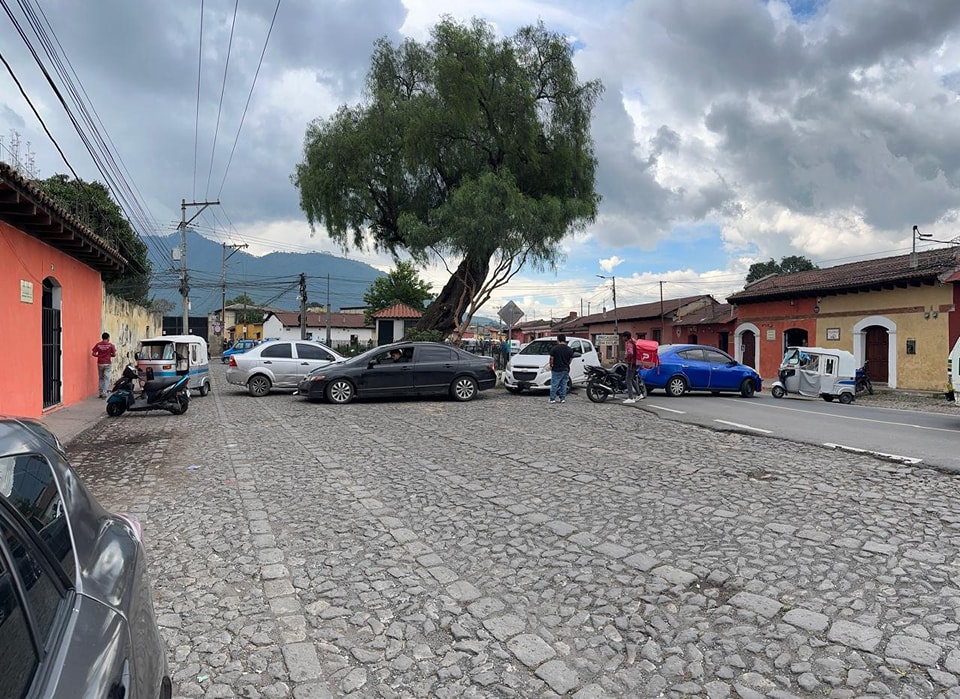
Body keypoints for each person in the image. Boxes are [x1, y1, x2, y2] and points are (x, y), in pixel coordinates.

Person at [548, 334, 575, 404]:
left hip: (556, 368)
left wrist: (551, 365)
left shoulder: (555, 348)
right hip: (565, 368)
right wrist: (567, 364)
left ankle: (552, 399)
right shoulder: (569, 349)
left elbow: (551, 358)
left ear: (558, 340)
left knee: (554, 384)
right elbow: (570, 359)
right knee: (564, 384)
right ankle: (562, 398)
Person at [92, 332, 117, 398]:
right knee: (107, 378)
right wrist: (110, 355)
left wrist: (99, 355)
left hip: (100, 363)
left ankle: (100, 392)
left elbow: (93, 353)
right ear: (108, 338)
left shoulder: (98, 345)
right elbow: (114, 354)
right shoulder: (111, 345)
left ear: (102, 337)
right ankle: (104, 393)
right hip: (107, 363)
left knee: (101, 378)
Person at [621, 331, 642, 403]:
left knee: (628, 379)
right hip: (635, 363)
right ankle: (639, 394)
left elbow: (630, 352)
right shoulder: (633, 341)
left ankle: (631, 397)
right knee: (631, 379)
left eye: (623, 337)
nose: (622, 338)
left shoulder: (629, 343)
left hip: (631, 363)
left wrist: (626, 358)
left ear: (626, 337)